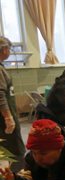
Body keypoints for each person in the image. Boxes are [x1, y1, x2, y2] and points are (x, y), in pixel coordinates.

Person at [0, 36, 25, 172]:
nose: (9, 51)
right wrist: (8, 118)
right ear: (4, 49)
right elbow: (0, 95)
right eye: (9, 48)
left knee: (7, 149)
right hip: (4, 117)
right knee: (17, 149)